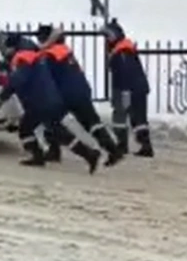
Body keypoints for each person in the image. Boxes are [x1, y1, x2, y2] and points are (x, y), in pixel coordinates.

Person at [0, 42, 102, 173]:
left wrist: (2, 98)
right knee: (58, 132)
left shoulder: (22, 59)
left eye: (7, 48)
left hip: (39, 103)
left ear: (13, 48)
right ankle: (88, 154)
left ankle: (38, 156)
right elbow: (16, 69)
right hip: (51, 100)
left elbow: (17, 79)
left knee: (26, 129)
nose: (5, 51)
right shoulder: (32, 58)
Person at [36, 24, 123, 166]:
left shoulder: (49, 55)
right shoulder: (63, 50)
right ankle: (113, 149)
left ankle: (62, 151)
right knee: (92, 123)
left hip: (66, 94)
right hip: (82, 90)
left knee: (50, 120)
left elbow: (45, 78)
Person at [103, 19, 153, 157]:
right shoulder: (125, 49)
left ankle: (122, 145)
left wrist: (125, 92)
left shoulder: (122, 51)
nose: (106, 40)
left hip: (128, 88)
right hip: (137, 87)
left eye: (107, 36)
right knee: (138, 118)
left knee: (120, 116)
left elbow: (125, 72)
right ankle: (145, 145)